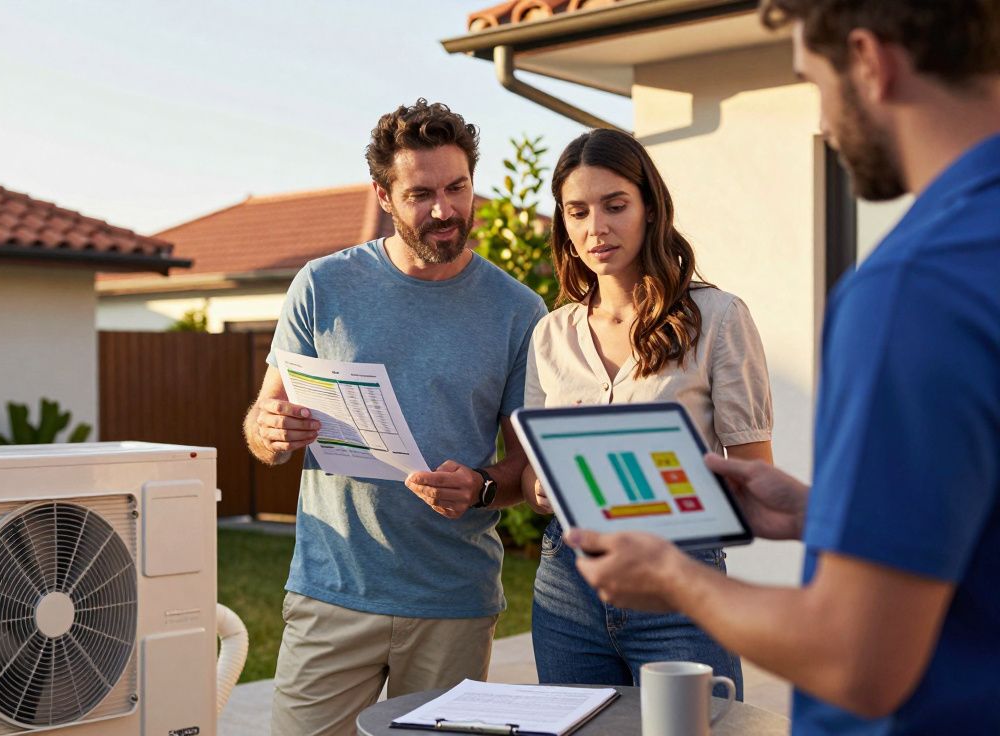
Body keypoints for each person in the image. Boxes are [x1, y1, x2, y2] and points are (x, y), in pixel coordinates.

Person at [564, 1, 1000, 733]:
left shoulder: (915, 285)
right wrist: (821, 511)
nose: (826, 123)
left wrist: (674, 578)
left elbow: (855, 659)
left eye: (814, 82)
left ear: (870, 59)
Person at [243, 98, 547, 736]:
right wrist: (270, 432)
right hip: (334, 590)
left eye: (458, 187)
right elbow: (263, 420)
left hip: (452, 601)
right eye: (422, 193)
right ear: (384, 194)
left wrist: (483, 486)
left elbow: (527, 468)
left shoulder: (518, 309)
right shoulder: (322, 286)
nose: (445, 209)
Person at [522, 128, 772, 697]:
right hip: (569, 578)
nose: (596, 228)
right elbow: (535, 468)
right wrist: (541, 484)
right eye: (577, 212)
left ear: (650, 208)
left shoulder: (719, 318)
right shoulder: (550, 333)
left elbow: (757, 474)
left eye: (615, 206)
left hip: (679, 575)